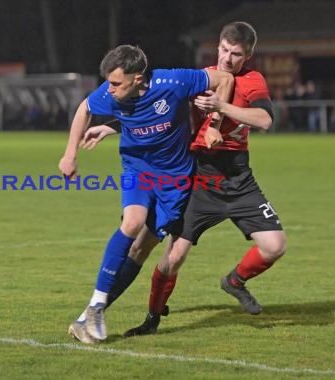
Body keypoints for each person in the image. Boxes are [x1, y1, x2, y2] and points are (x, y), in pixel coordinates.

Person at [82, 22, 287, 337]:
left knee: (275, 246)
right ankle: (150, 318)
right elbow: (161, 119)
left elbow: (265, 120)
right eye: (224, 50)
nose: (228, 58)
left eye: (236, 54)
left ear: (248, 55)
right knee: (172, 255)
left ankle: (235, 281)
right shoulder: (201, 79)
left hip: (237, 175)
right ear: (217, 46)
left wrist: (221, 107)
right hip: (198, 176)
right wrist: (111, 127)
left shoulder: (252, 81)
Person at [58, 44, 234, 343]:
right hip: (136, 169)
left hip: (176, 180)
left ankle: (86, 316)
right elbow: (85, 109)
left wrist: (214, 123)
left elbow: (225, 80)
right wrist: (70, 154)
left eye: (116, 83)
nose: (109, 89)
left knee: (141, 250)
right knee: (132, 222)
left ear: (138, 78)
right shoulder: (110, 93)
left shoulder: (174, 82)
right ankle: (98, 304)